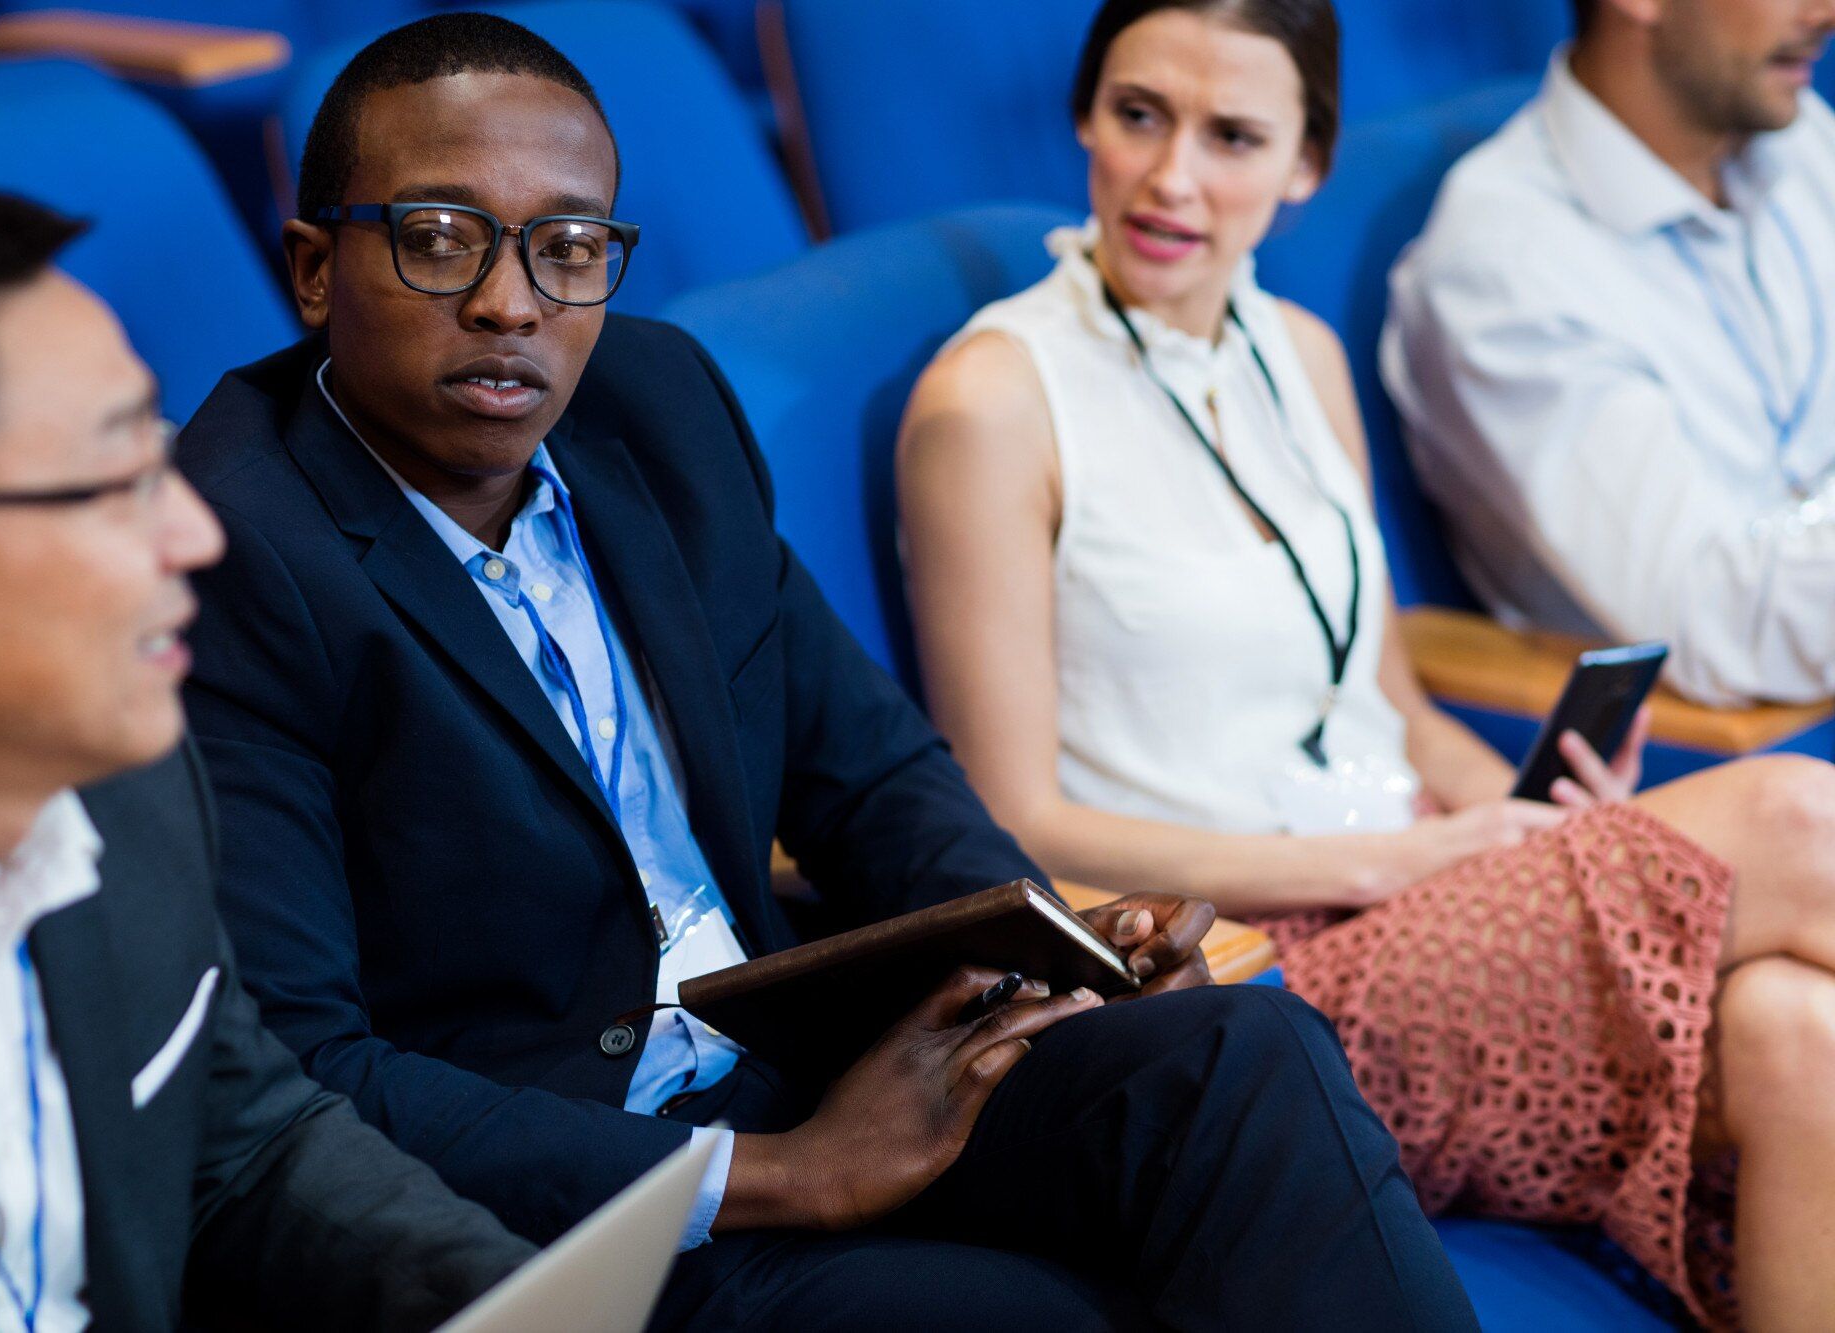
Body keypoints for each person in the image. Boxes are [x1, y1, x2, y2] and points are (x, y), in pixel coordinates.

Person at [175, 12, 1478, 1331]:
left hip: (804, 1064)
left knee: (1242, 1056)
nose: (511, 302)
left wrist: (1053, 957)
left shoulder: (652, 408)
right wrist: (779, 1173)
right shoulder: (230, 553)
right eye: (441, 237)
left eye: (567, 247)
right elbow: (305, 1072)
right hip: (566, 1205)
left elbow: (875, 777)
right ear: (315, 268)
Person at [896, 0, 1835, 1327]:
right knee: (1797, 815)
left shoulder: (1303, 355)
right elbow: (1015, 824)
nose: (1172, 179)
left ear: (1305, 166)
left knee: (1799, 1033)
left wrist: (1540, 815)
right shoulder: (991, 398)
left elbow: (1386, 703)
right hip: (1244, 974)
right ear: (1085, 120)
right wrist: (1384, 861)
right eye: (1139, 116)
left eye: (1232, 138)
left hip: (1416, 888)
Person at [0, 187, 537, 1331]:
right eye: (119, 484)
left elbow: (247, 1143)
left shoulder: (133, 795)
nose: (198, 533)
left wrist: (522, 1303)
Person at [1382, 0, 1835, 707]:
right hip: (1712, 739)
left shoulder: (1798, 140)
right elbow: (1723, 619)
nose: (1824, 11)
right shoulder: (1503, 269)